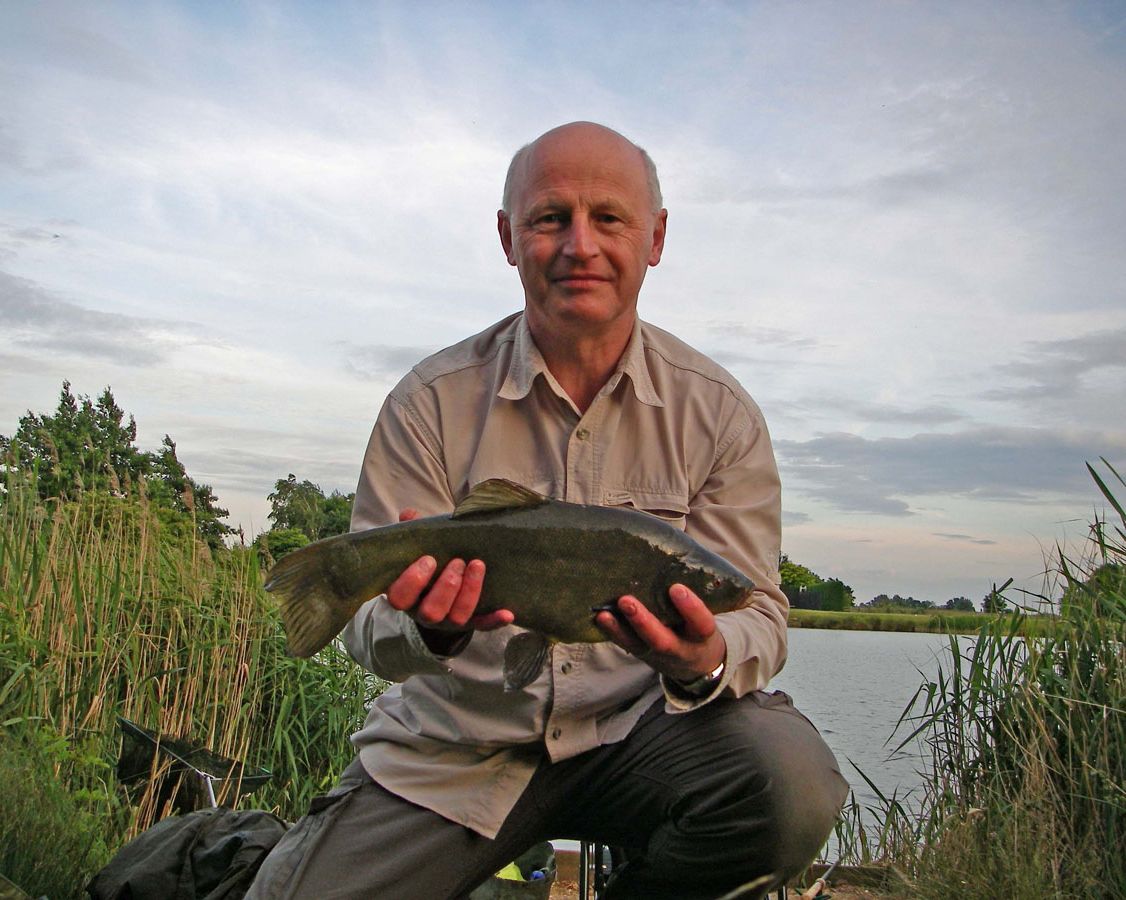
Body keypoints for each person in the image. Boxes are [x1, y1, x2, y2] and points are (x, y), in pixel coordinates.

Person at [246, 122, 848, 900]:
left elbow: (758, 610)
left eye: (609, 218)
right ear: (507, 237)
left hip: (649, 734)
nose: (580, 246)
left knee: (790, 784)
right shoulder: (427, 404)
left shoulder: (720, 414)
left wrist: (706, 662)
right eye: (550, 218)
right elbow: (365, 633)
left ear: (655, 238)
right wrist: (431, 628)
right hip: (456, 749)